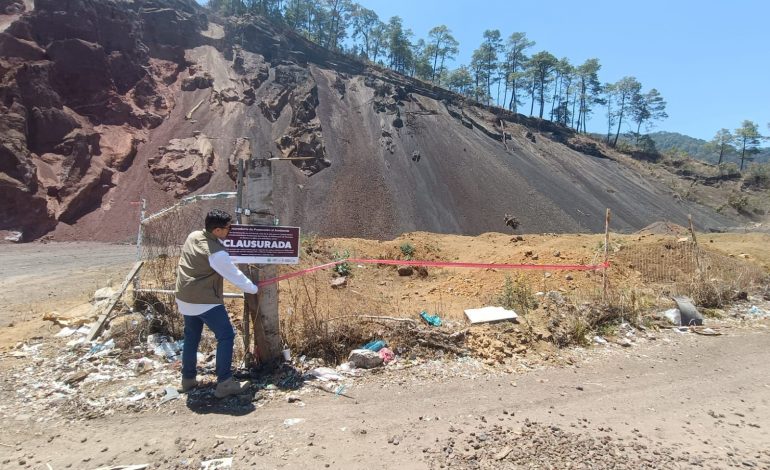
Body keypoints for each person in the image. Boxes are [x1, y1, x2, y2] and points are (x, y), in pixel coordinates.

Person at [175, 209, 258, 398]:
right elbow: (234, 275)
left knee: (191, 337)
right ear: (218, 231)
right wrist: (253, 289)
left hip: (184, 296)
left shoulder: (194, 235)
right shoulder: (217, 253)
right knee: (226, 335)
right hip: (204, 300)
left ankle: (188, 380)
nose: (231, 230)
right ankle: (225, 383)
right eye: (228, 228)